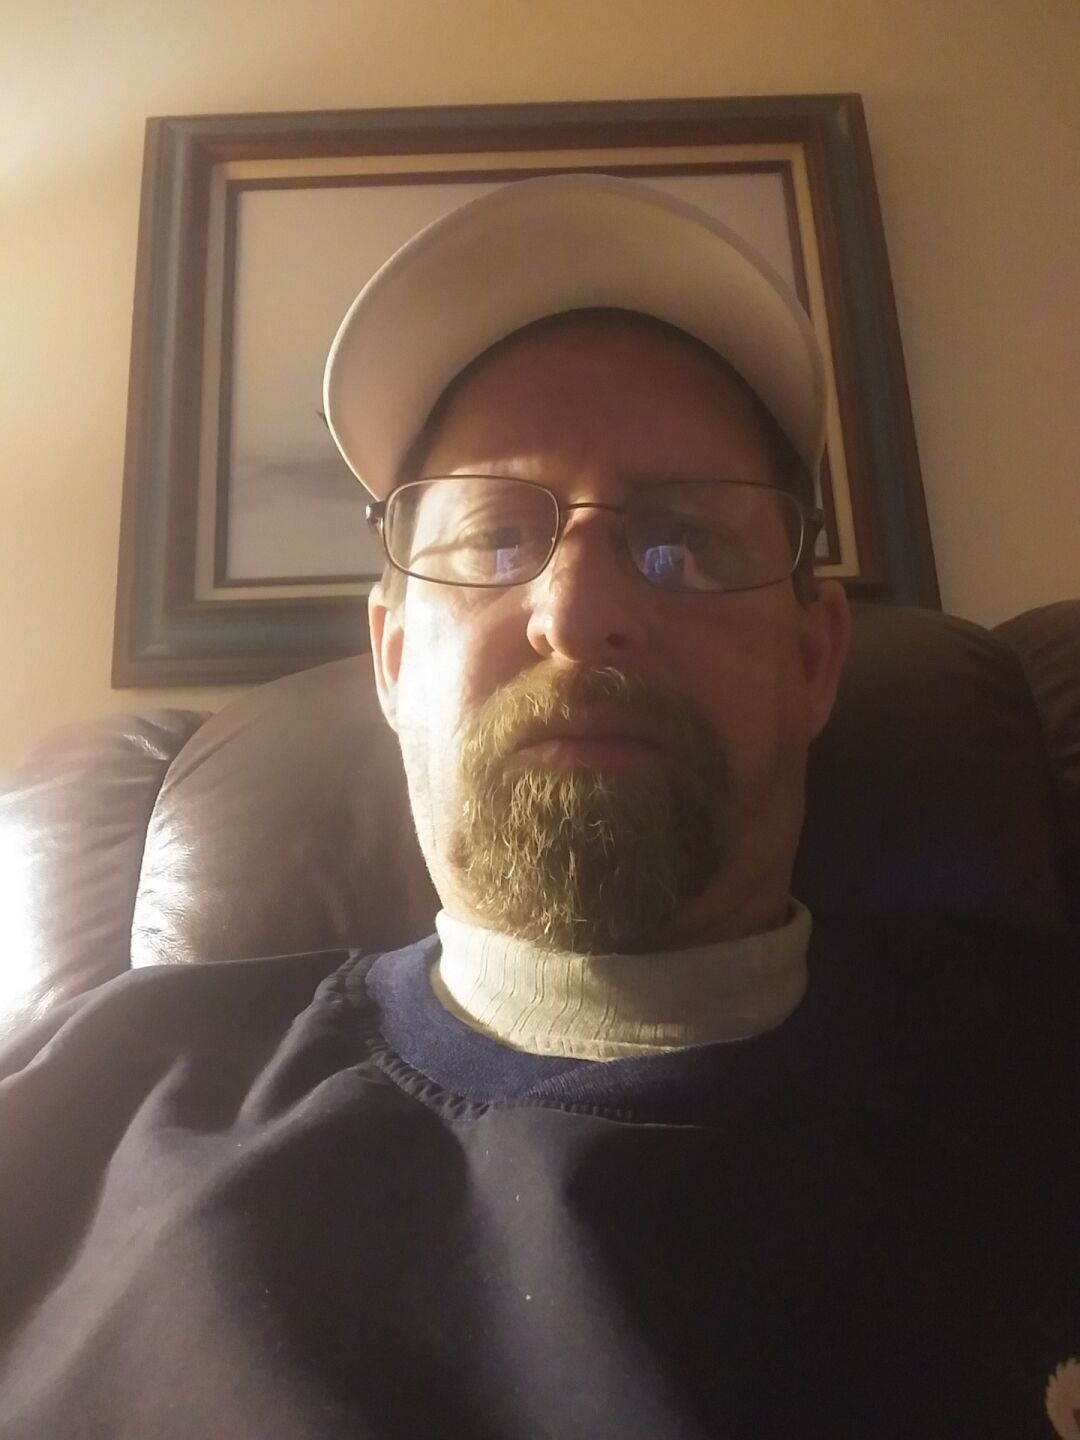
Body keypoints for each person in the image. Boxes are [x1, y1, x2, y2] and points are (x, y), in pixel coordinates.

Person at [0, 175, 1077, 1440]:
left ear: (814, 659)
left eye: (685, 538)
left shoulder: (1038, 1080)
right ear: (394, 658)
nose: (577, 611)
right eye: (496, 538)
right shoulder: (98, 1095)